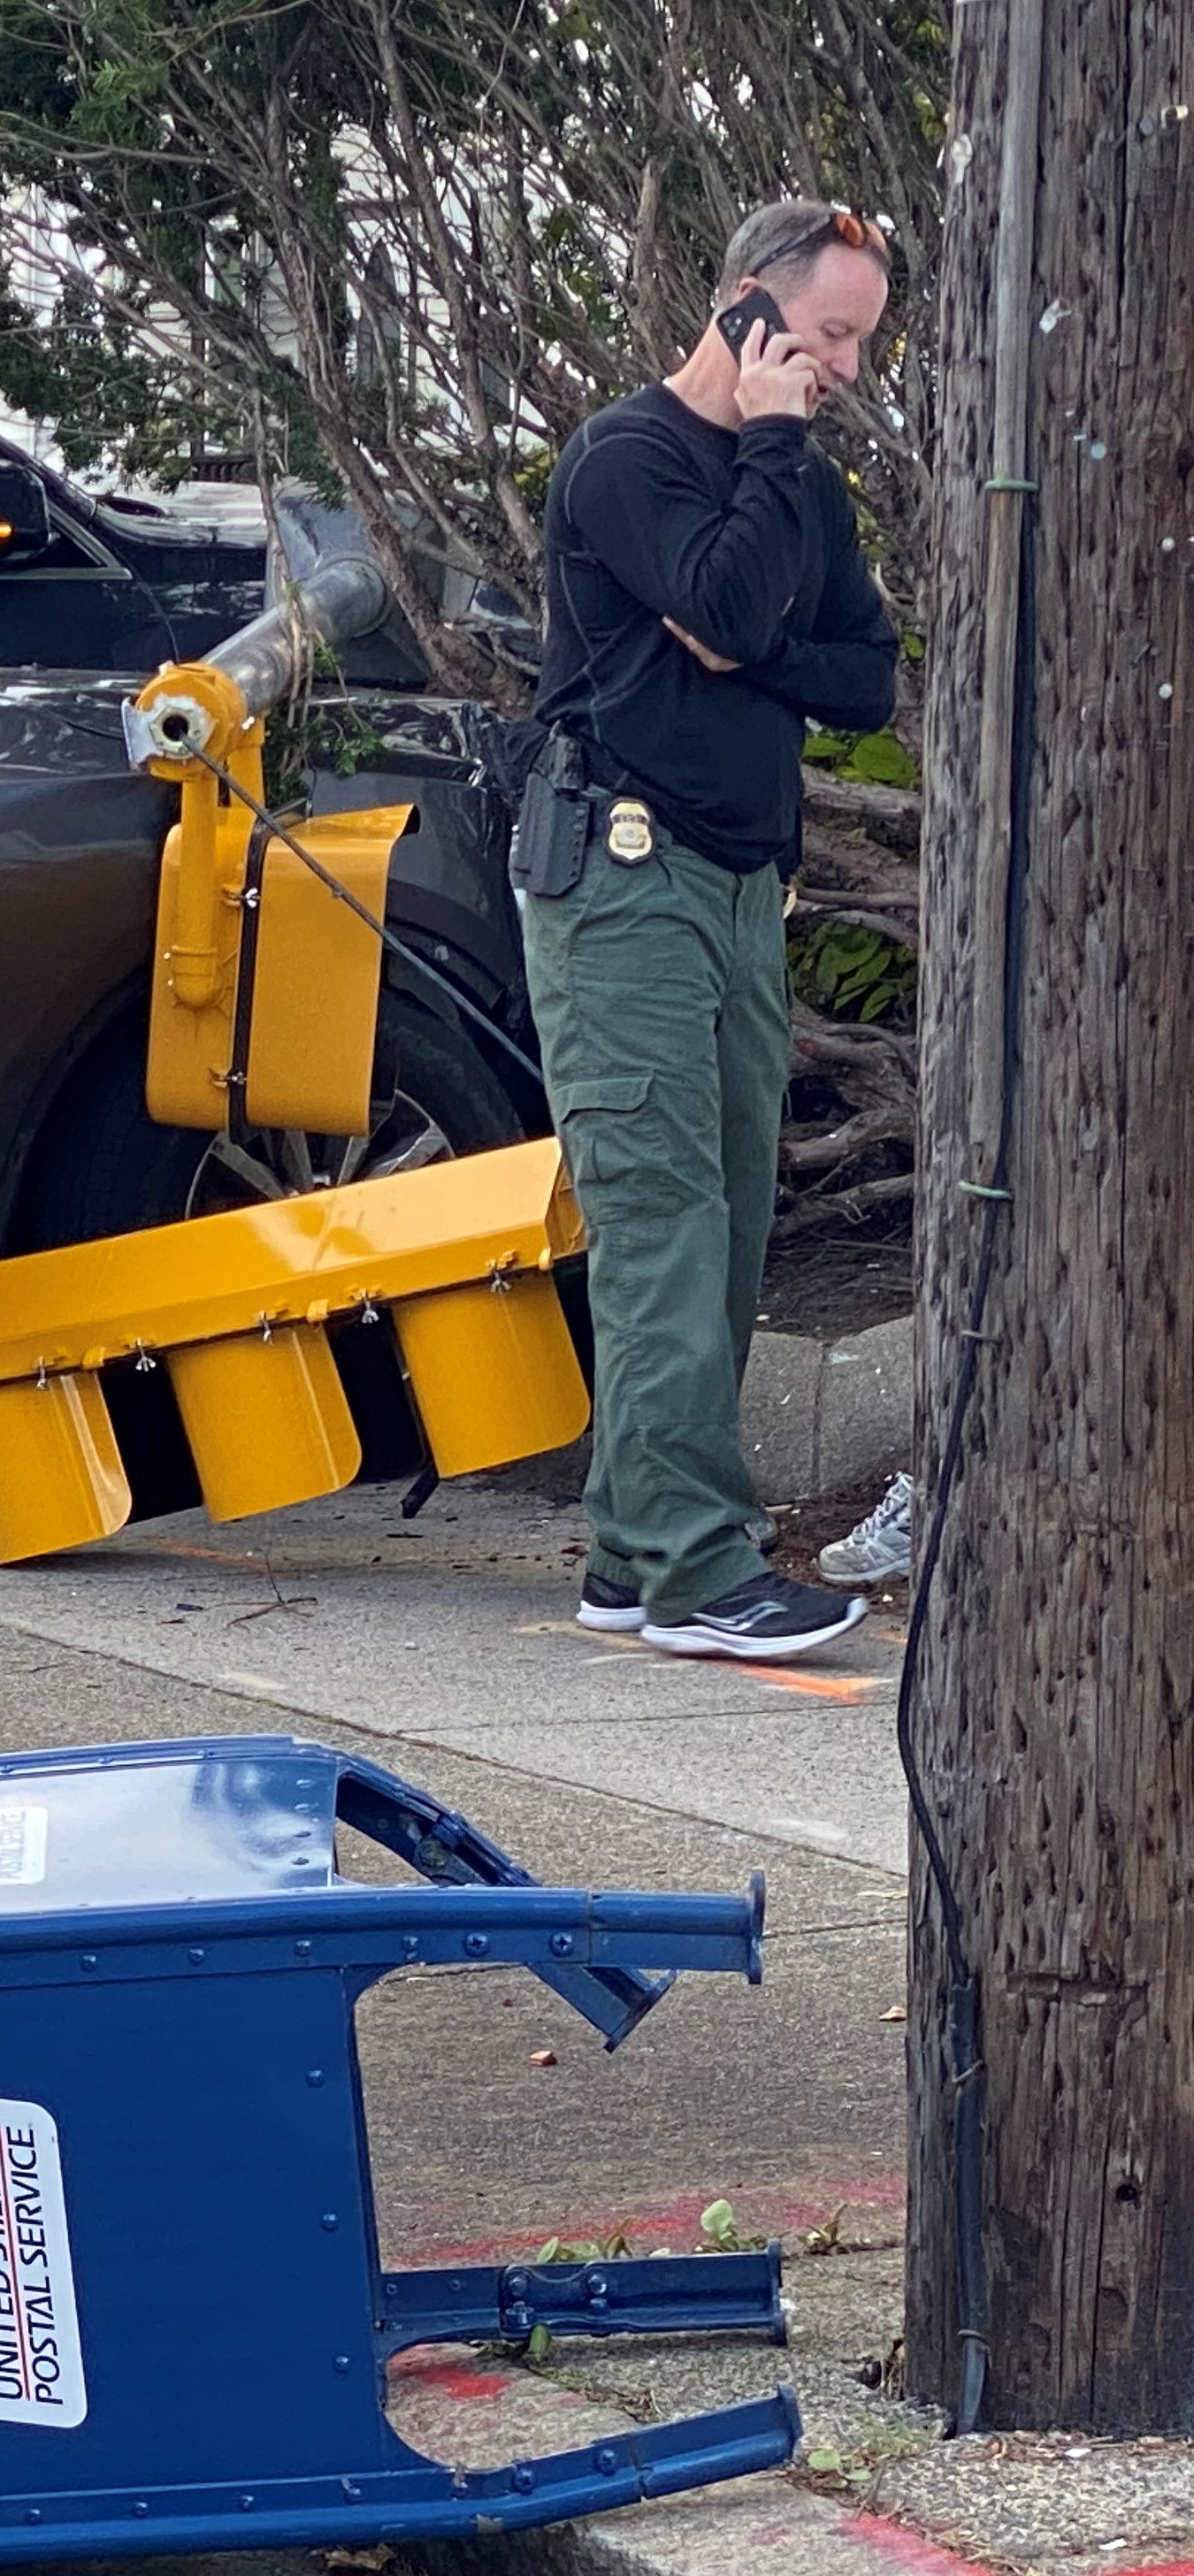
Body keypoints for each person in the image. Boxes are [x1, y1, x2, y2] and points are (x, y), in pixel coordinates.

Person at [523, 201, 900, 1660]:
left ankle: (632, 1544)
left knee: (737, 1218)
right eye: (827, 338)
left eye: (858, 342)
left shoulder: (794, 482)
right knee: (663, 1214)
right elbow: (731, 604)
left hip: (745, 884)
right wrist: (764, 454)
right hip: (623, 875)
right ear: (749, 315)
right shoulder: (629, 460)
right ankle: (696, 1570)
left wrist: (747, 654)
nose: (846, 371)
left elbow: (857, 676)